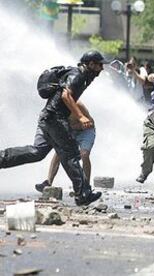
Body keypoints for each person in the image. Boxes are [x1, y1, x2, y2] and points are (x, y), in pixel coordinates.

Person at [0, 50, 107, 205]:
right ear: (90, 64)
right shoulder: (78, 75)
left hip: (47, 117)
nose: (101, 69)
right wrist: (81, 116)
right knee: (70, 152)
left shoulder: (79, 75)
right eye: (99, 65)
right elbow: (66, 95)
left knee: (38, 152)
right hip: (54, 118)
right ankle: (83, 193)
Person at [35, 101, 96, 192]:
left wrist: (76, 125)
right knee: (58, 153)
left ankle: (86, 185)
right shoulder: (55, 108)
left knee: (84, 154)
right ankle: (48, 182)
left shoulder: (78, 105)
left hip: (86, 131)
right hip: (70, 132)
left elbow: (91, 122)